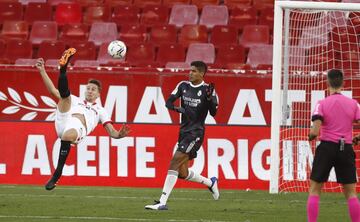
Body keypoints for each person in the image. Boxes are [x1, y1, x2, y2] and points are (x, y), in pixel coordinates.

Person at [35, 48, 130, 191]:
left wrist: (119, 135)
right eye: (88, 88)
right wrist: (42, 71)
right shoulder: (76, 100)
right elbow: (52, 91)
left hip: (78, 128)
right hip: (63, 120)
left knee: (67, 134)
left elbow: (112, 132)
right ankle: (63, 69)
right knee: (65, 96)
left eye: (93, 89)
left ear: (98, 94)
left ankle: (57, 173)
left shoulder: (100, 110)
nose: (90, 91)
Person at [145, 61, 219, 210]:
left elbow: (214, 113)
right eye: (190, 70)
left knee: (174, 162)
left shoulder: (207, 90)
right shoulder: (183, 86)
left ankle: (162, 202)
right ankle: (210, 183)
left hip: (196, 133)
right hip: (183, 132)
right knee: (182, 173)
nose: (190, 73)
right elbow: (168, 103)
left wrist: (210, 100)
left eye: (194, 71)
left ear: (202, 73)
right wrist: (179, 110)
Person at [308, 69, 360, 222]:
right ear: (343, 83)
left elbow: (315, 131)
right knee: (351, 193)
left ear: (327, 83)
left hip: (327, 148)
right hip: (346, 148)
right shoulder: (354, 104)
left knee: (315, 190)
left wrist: (310, 136)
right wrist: (358, 137)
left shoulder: (322, 104)